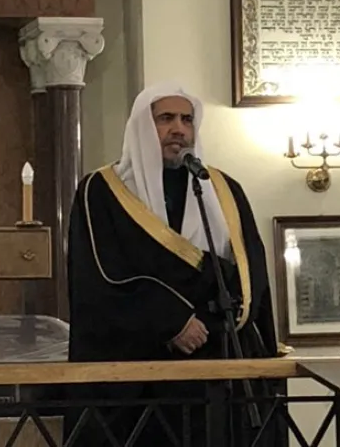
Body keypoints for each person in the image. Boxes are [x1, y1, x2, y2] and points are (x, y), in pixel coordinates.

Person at [65, 82, 280, 446]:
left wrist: (222, 318)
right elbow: (100, 277)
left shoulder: (223, 189)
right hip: (141, 379)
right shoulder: (102, 191)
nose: (178, 128)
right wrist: (172, 321)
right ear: (141, 127)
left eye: (187, 119)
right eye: (165, 118)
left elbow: (251, 270)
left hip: (218, 370)